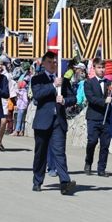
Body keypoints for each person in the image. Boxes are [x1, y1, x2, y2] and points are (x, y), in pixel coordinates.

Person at [30, 51, 77, 195]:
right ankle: (37, 181)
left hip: (58, 121)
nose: (52, 64)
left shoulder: (64, 80)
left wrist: (64, 101)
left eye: (55, 62)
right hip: (43, 122)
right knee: (40, 153)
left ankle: (65, 182)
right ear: (43, 63)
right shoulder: (37, 79)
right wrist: (52, 85)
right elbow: (37, 95)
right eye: (49, 62)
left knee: (59, 153)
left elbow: (73, 98)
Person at [83, 58, 112, 177]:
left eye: (103, 68)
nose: (101, 70)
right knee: (92, 141)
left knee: (105, 144)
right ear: (94, 68)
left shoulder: (109, 83)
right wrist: (104, 101)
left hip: (106, 118)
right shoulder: (88, 82)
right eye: (99, 68)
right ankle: (88, 162)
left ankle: (101, 168)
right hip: (93, 117)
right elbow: (91, 98)